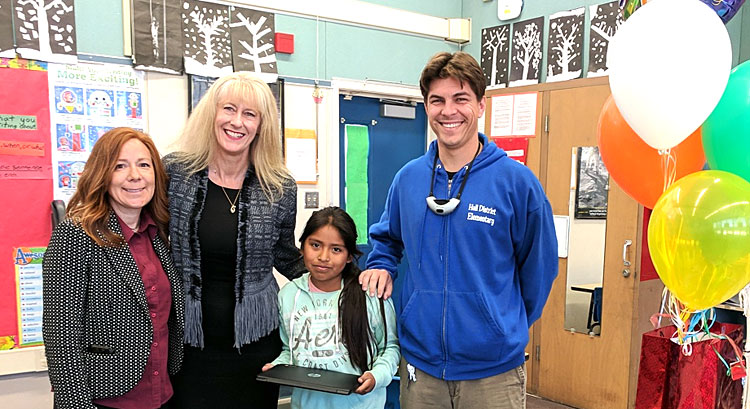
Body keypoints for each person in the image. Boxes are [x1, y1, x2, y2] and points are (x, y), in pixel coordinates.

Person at [360, 51, 558, 409]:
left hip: (494, 373)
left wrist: (500, 325)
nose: (448, 111)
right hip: (421, 368)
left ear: (481, 105)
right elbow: (387, 239)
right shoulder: (408, 179)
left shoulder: (516, 183)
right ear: (426, 106)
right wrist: (381, 265)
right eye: (437, 100)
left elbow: (539, 270)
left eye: (460, 99)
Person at [165, 72, 305, 408]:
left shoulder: (279, 187)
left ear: (261, 125)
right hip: (188, 342)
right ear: (211, 113)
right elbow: (149, 240)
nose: (237, 122)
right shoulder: (175, 173)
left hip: (256, 343)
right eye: (229, 109)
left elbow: (286, 255)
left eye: (249, 114)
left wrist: (347, 278)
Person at [43, 127, 183, 409]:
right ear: (102, 174)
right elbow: (61, 333)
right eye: (120, 166)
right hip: (105, 399)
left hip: (162, 394)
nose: (135, 175)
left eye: (144, 165)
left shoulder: (158, 233)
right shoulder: (76, 234)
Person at [262, 206, 399, 409]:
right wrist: (277, 366)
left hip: (360, 405)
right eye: (315, 245)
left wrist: (376, 376)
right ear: (302, 247)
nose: (324, 257)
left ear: (349, 255)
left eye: (336, 249)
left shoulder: (370, 293)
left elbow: (390, 348)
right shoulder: (288, 295)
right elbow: (289, 349)